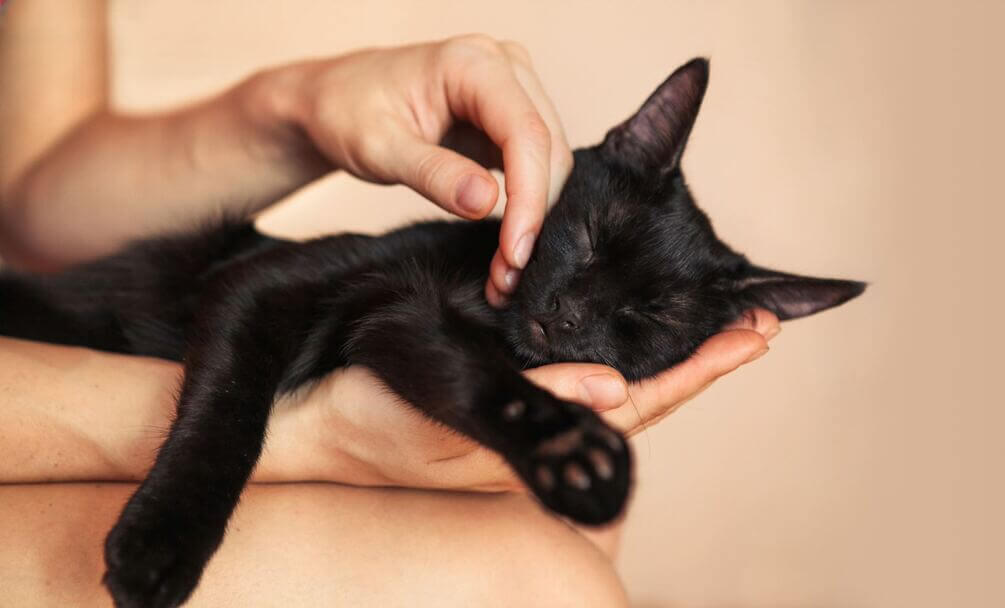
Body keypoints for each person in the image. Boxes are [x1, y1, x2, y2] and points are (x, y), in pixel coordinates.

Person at [0, 1, 779, 604]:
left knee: (576, 547)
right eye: (586, 251)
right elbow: (261, 298)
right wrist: (307, 443)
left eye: (635, 325)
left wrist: (302, 107)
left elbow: (27, 187)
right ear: (605, 161)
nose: (575, 314)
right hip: (59, 336)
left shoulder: (469, 292)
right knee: (537, 581)